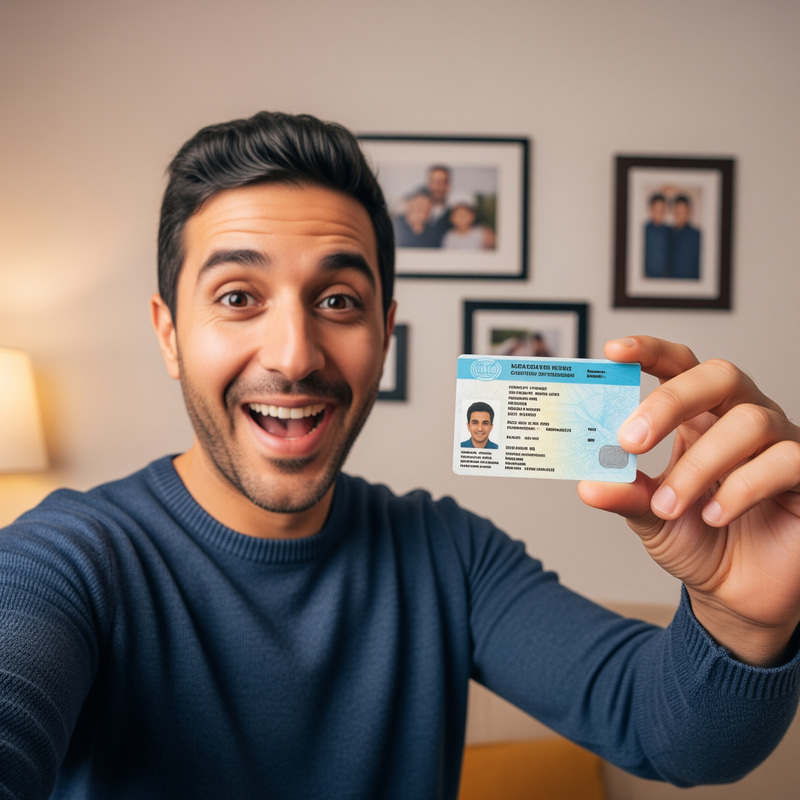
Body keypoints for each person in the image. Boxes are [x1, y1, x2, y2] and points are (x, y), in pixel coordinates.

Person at [1, 111, 800, 800]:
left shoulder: (449, 555)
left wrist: (742, 615)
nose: (295, 354)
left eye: (338, 301)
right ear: (169, 333)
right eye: (238, 297)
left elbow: (673, 733)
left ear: (384, 332)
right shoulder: (69, 557)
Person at [670, 193, 702, 279]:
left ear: (689, 212)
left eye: (682, 212)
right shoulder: (669, 233)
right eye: (677, 212)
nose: (679, 215)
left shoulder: (697, 235)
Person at [643, 191, 671, 277]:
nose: (660, 213)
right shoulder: (644, 230)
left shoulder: (670, 231)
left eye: (662, 210)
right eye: (657, 210)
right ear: (651, 209)